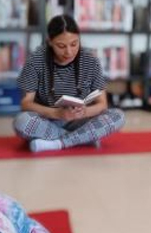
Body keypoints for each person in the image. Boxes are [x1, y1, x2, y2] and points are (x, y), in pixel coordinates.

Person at [13, 14, 125, 153]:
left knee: (118, 116)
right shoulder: (35, 61)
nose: (69, 52)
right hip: (48, 120)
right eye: (61, 46)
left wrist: (84, 112)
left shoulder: (91, 61)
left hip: (80, 120)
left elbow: (102, 104)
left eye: (74, 44)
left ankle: (57, 143)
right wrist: (57, 113)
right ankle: (85, 137)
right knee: (22, 122)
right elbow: (26, 103)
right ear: (50, 42)